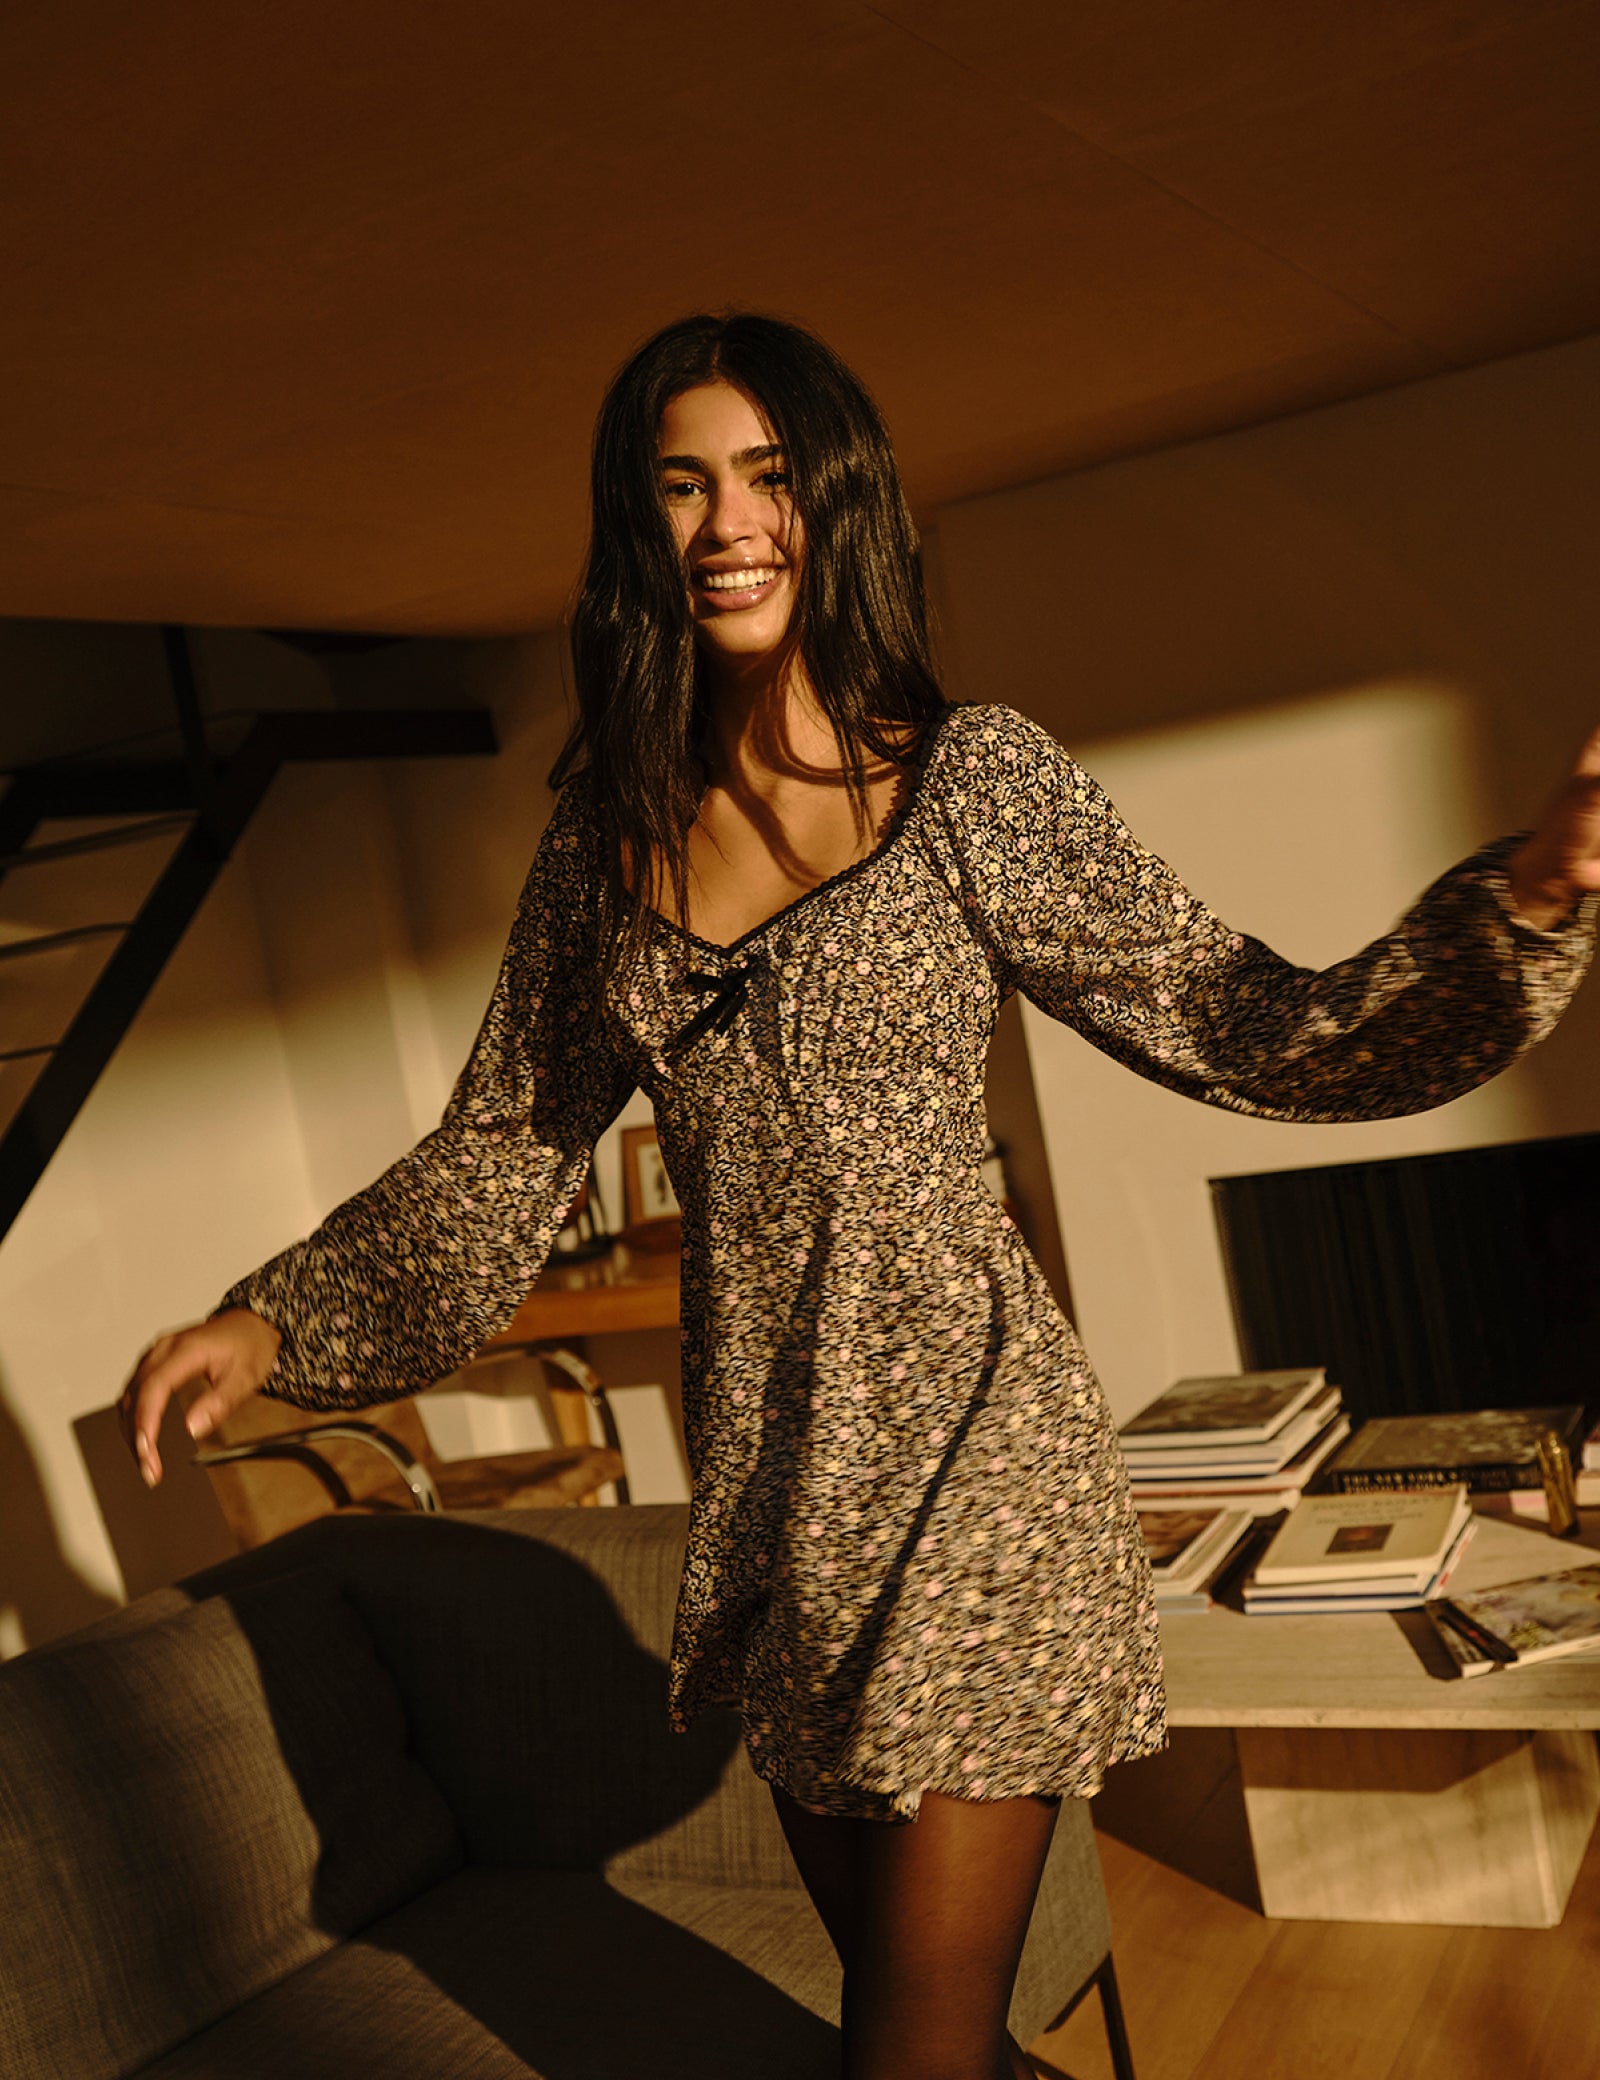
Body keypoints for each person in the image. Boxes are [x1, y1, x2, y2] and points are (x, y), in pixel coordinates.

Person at [123, 312, 1600, 2080]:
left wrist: (1520, 901)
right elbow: (506, 1143)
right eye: (681, 485)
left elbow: (1248, 1025)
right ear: (636, 530)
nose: (728, 522)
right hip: (779, 1497)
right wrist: (271, 1312)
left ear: (837, 505)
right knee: (925, 2041)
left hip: (984, 1463)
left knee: (906, 2049)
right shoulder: (602, 847)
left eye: (767, 476)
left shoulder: (974, 778)